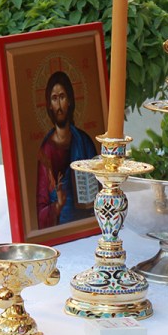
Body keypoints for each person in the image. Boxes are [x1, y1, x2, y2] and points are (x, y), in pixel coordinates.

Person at [36, 71, 98, 228]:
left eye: (62, 97)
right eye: (54, 98)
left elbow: (101, 184)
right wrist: (58, 205)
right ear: (49, 105)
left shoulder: (84, 142)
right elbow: (41, 207)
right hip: (61, 226)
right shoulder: (46, 150)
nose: (58, 105)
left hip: (87, 222)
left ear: (69, 100)